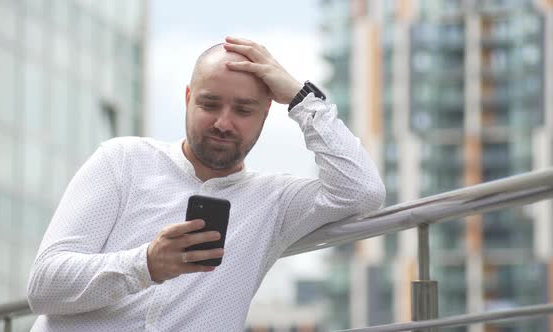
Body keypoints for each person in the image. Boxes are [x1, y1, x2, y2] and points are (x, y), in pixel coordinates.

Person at [27, 36, 385, 331]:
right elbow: (43, 286)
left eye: (243, 110)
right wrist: (145, 264)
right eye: (209, 104)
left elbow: (363, 190)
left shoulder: (274, 202)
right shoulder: (123, 160)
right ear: (187, 99)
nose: (223, 123)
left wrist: (300, 97)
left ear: (266, 114)